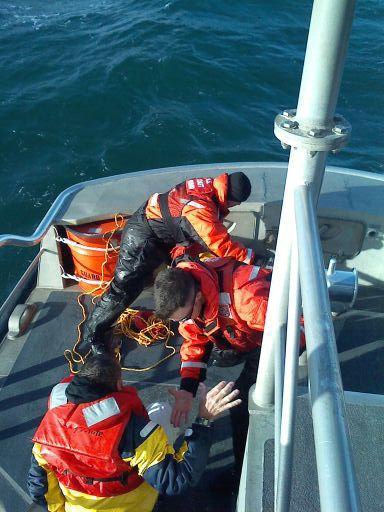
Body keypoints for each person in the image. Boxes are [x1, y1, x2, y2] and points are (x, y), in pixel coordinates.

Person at [153, 256, 304, 486]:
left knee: (242, 404)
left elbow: (299, 331)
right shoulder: (192, 297)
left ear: (199, 298)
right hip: (235, 335)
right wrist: (187, 390)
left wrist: (270, 371)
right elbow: (194, 342)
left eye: (183, 318)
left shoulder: (249, 300)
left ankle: (245, 474)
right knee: (211, 358)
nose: (183, 323)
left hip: (266, 342)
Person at [27, 354, 241, 512]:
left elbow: (39, 488)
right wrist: (204, 418)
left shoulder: (47, 432)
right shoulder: (136, 431)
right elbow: (176, 480)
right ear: (119, 384)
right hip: (132, 505)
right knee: (161, 411)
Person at [83, 172, 254, 354]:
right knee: (123, 288)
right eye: (237, 204)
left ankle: (191, 321)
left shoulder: (209, 187)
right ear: (233, 200)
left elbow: (192, 229)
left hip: (166, 236)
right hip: (143, 237)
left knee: (184, 276)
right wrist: (254, 259)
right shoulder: (201, 208)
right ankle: (94, 335)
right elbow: (221, 245)